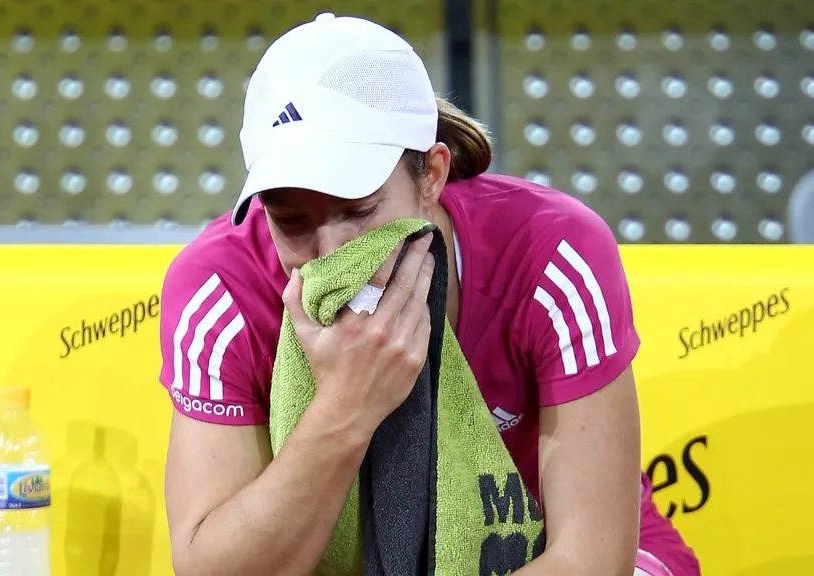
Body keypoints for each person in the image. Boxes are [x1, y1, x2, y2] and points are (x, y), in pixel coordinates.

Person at [158, 12, 700, 576]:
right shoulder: (218, 288)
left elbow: (591, 560)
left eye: (359, 210)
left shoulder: (553, 253)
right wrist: (347, 407)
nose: (331, 252)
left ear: (432, 176)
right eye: (291, 220)